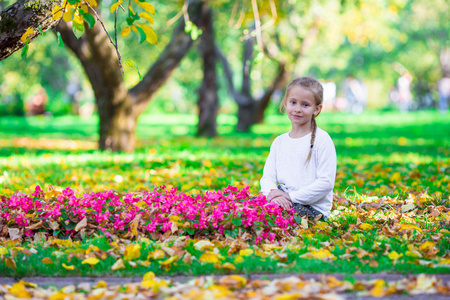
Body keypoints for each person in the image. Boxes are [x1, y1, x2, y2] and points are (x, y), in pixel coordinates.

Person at [260, 77, 337, 221]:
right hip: (282, 199)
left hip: (312, 209)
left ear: (317, 109)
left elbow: (326, 183)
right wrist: (273, 195)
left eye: (305, 105)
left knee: (270, 214)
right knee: (248, 205)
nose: (297, 109)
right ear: (285, 103)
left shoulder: (322, 140)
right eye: (293, 102)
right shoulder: (279, 142)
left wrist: (289, 197)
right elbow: (268, 177)